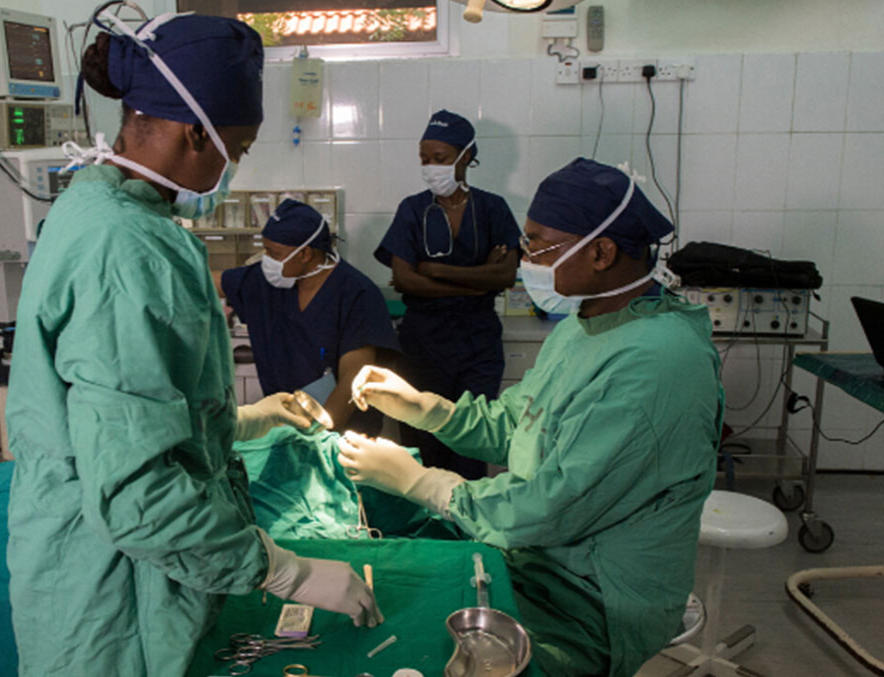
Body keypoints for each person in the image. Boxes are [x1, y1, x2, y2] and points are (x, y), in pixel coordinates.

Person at [5, 13, 381, 677]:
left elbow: (131, 418)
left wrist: (230, 422)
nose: (235, 167)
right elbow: (132, 492)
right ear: (190, 135)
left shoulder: (94, 209)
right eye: (236, 148)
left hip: (116, 569)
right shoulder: (124, 252)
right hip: (115, 602)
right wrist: (286, 570)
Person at [341, 158, 724, 676]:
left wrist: (427, 484)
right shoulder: (585, 323)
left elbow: (553, 504)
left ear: (602, 251)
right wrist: (426, 408)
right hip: (539, 559)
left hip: (595, 599)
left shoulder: (656, 362)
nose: (525, 257)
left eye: (539, 244)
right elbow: (516, 426)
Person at [375, 109, 519, 479]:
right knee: (423, 440)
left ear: (465, 157)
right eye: (424, 159)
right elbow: (405, 280)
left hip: (478, 342)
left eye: (439, 158)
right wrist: (478, 279)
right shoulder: (413, 209)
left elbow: (505, 275)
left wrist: (437, 270)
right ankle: (428, 524)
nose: (430, 167)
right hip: (423, 341)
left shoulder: (493, 209)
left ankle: (467, 527)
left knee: (472, 439)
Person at [219, 199, 400, 433]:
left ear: (304, 254)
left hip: (344, 433)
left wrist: (316, 438)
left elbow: (351, 383)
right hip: (285, 425)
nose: (266, 260)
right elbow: (204, 282)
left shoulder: (357, 294)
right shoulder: (263, 281)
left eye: (273, 253)